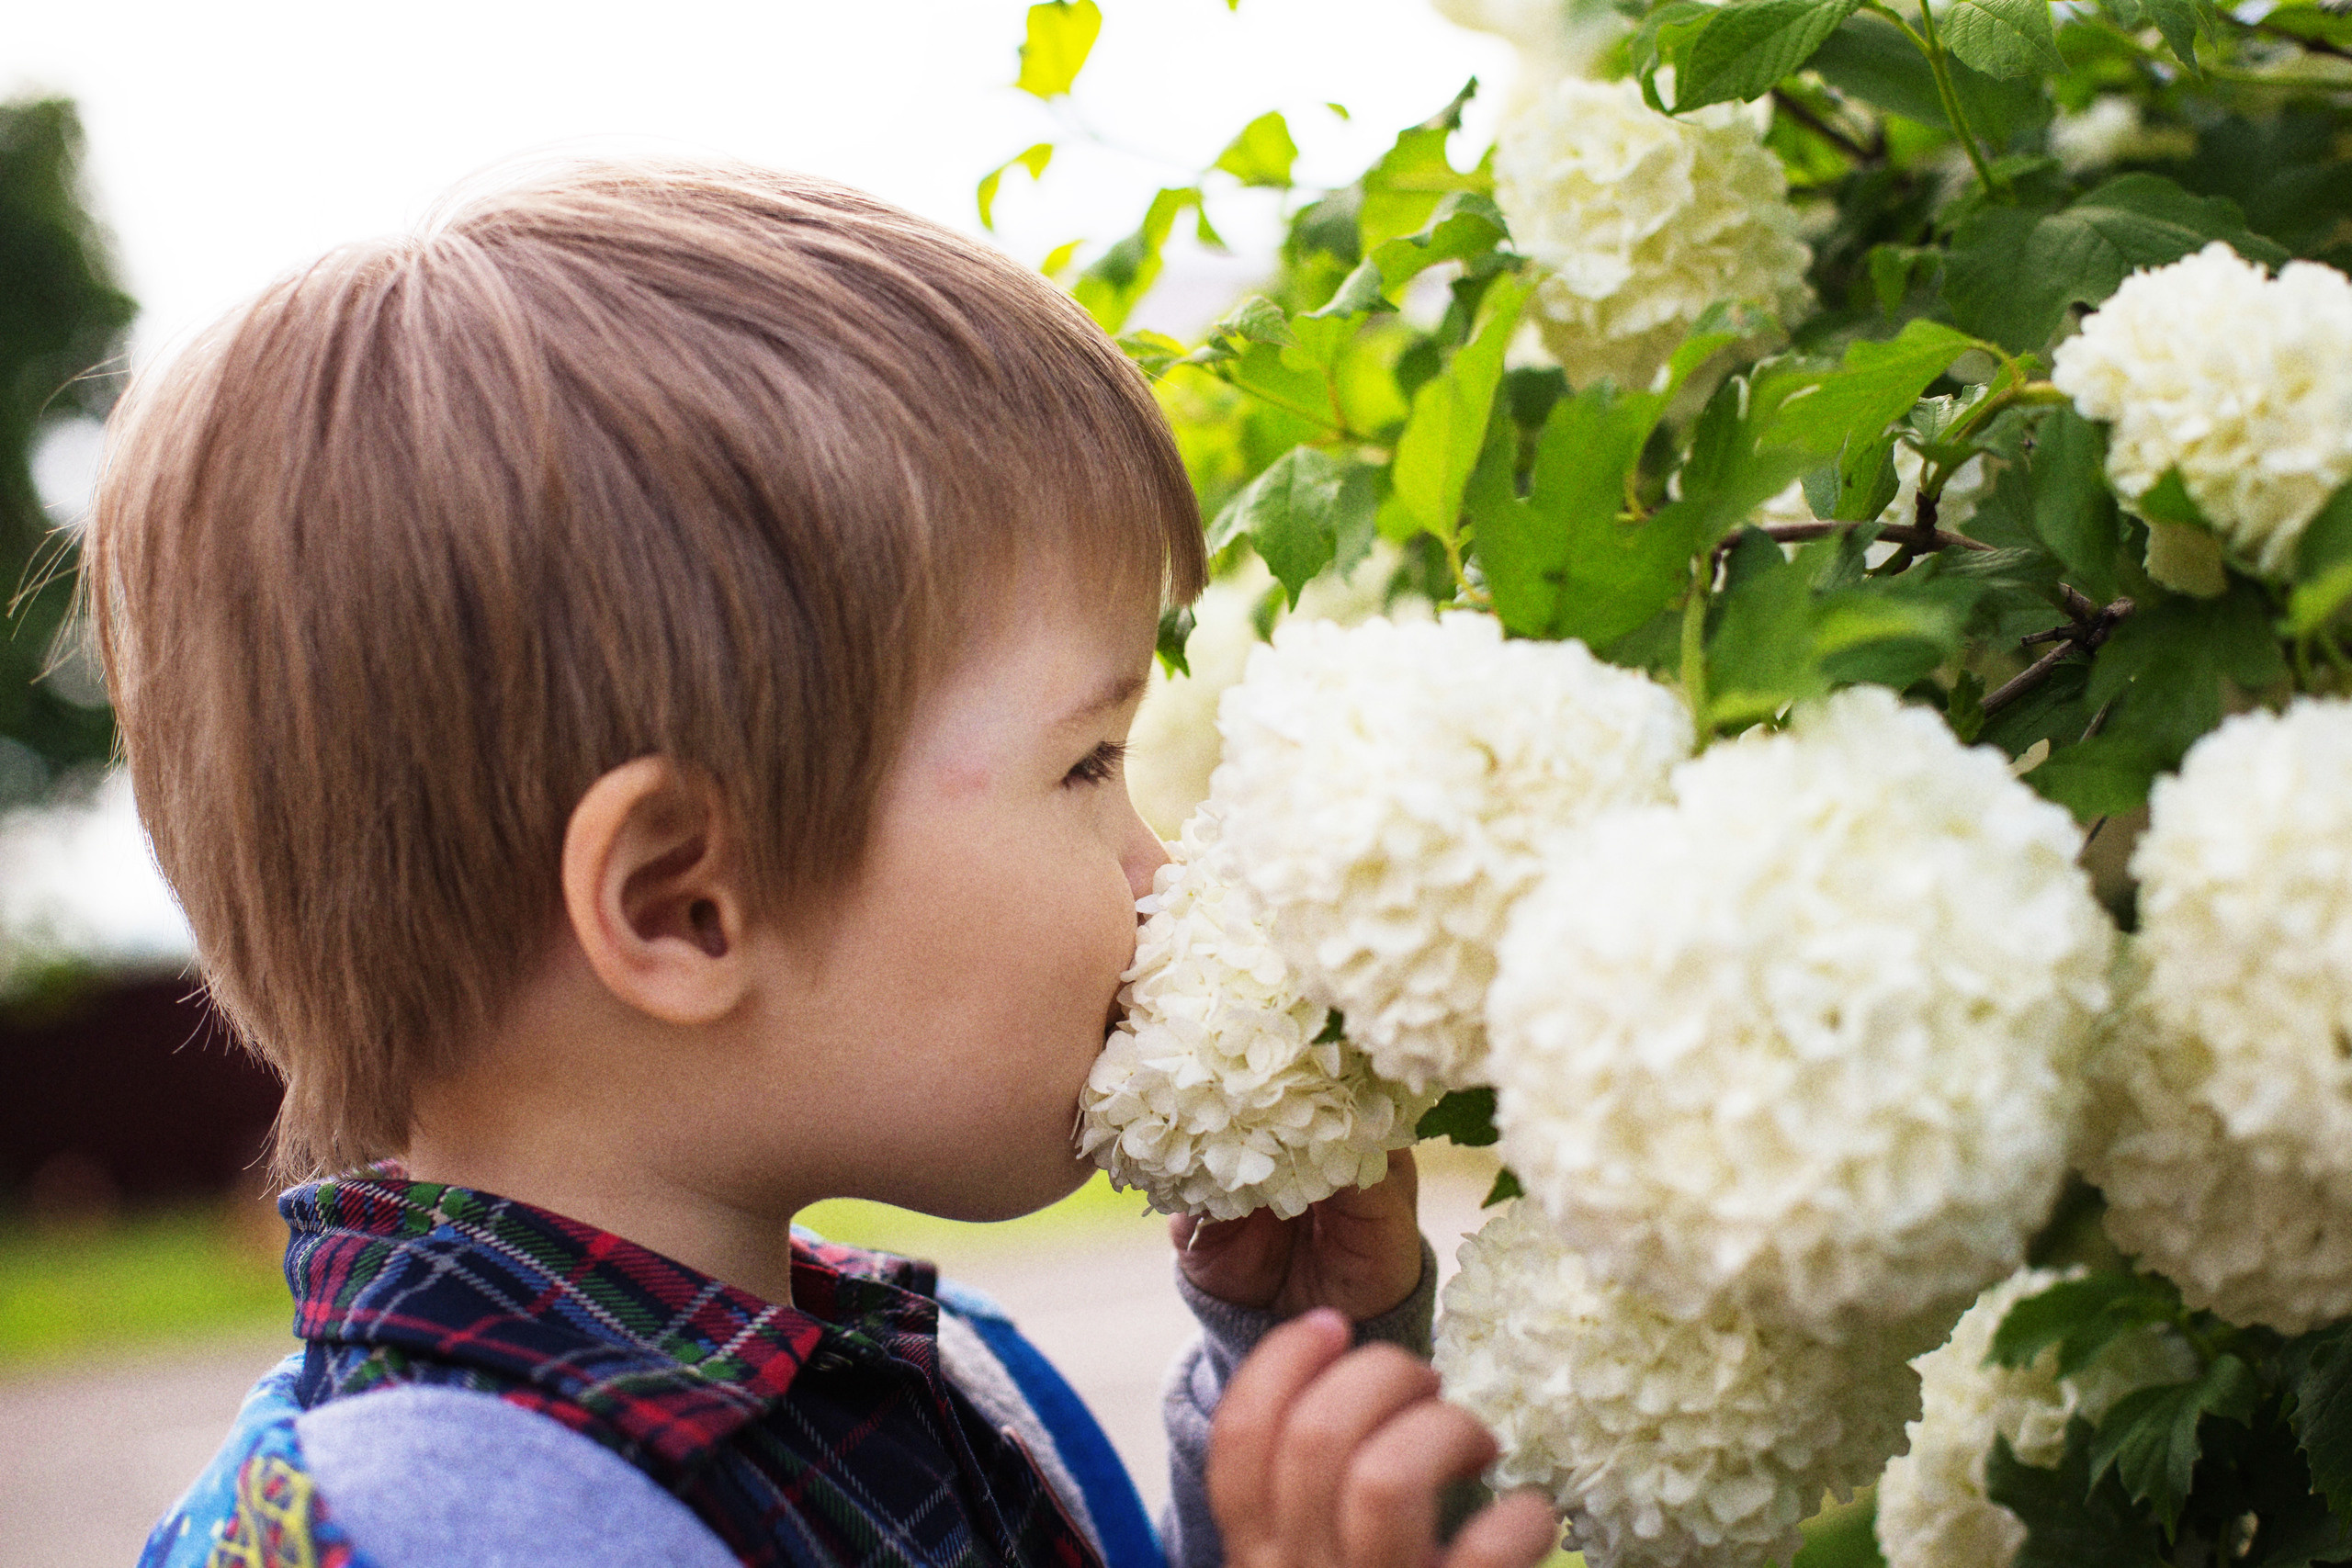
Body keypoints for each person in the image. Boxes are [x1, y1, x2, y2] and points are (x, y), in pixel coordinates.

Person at [91, 162, 1558, 1568]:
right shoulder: (415, 1538)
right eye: (1088, 768)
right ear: (684, 905)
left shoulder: (924, 1373)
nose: (1155, 874)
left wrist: (1290, 1372)